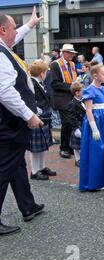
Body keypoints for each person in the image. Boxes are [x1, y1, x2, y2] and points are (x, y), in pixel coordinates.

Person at [0, 8, 45, 236]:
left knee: (16, 165)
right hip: (10, 124)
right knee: (4, 169)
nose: (15, 33)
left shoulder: (3, 48)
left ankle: (28, 206)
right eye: (13, 28)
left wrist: (30, 24)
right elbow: (5, 91)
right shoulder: (0, 54)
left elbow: (14, 36)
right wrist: (29, 115)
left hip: (10, 124)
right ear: (2, 30)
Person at [79, 64, 104, 192]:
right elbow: (89, 111)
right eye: (103, 73)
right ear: (95, 75)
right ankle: (94, 182)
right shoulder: (89, 90)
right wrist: (94, 128)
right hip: (97, 123)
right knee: (97, 151)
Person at [28, 59, 56, 181]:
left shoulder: (39, 82)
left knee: (43, 145)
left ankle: (42, 166)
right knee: (35, 148)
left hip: (44, 117)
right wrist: (36, 110)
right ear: (41, 73)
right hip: (37, 117)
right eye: (45, 72)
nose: (46, 74)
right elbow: (29, 99)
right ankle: (34, 171)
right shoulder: (32, 84)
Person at [49, 43, 78, 159]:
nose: (72, 55)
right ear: (64, 53)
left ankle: (69, 146)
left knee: (72, 123)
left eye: (73, 53)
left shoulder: (72, 64)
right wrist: (72, 86)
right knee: (67, 123)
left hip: (71, 98)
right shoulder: (55, 65)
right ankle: (64, 147)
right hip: (61, 99)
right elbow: (54, 84)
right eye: (70, 53)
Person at [67, 82, 85, 167]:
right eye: (82, 91)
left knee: (82, 143)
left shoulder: (84, 100)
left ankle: (83, 158)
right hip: (78, 125)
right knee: (77, 145)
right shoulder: (72, 103)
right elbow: (71, 117)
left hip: (84, 124)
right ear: (77, 93)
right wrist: (76, 128)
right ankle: (77, 159)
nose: (84, 92)